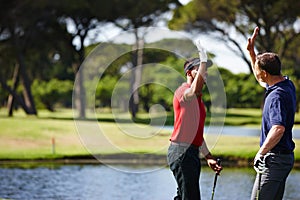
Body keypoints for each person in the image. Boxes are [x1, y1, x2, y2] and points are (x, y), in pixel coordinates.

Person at [167, 39, 222, 200]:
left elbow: (196, 135)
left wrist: (209, 157)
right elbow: (194, 89)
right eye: (201, 69)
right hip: (182, 152)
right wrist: (203, 59)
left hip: (190, 151)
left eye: (206, 70)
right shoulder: (183, 92)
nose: (206, 73)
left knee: (184, 195)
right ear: (190, 72)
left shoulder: (198, 100)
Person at [247, 27, 296, 200]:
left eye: (259, 70)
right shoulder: (285, 84)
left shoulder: (276, 96)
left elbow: (278, 128)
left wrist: (261, 152)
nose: (257, 73)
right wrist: (252, 52)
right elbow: (259, 76)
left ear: (265, 73)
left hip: (274, 160)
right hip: (284, 158)